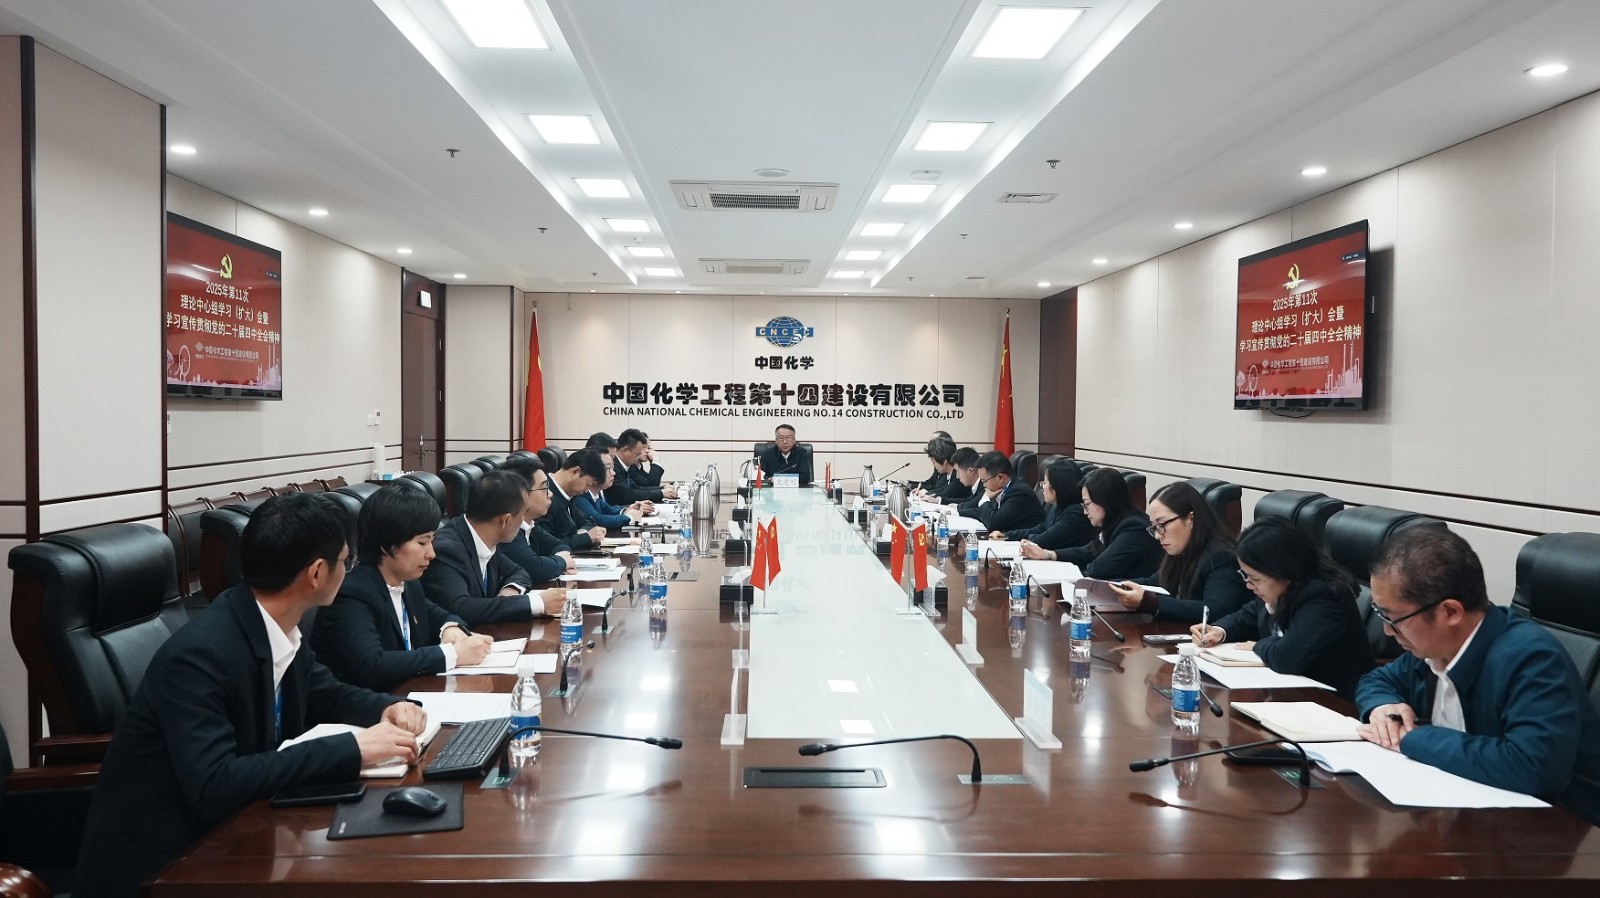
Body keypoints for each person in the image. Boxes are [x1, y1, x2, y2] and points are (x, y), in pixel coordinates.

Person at [75, 493, 426, 898]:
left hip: (242, 833)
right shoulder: (201, 656)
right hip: (164, 867)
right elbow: (215, 783)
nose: (348, 572)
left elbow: (323, 692)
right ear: (316, 573)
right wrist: (351, 749)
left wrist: (387, 706)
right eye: (345, 562)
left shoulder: (272, 623)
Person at [1352, 527, 1600, 824]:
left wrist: (1413, 738)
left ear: (1450, 612)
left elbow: (1533, 767)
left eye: (1393, 618)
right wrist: (1382, 705)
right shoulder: (1435, 649)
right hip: (1464, 813)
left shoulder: (1531, 658)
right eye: (1380, 614)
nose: (1387, 631)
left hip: (1556, 831)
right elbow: (1377, 680)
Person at [311, 486, 494, 691]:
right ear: (387, 545)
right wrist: (453, 655)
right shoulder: (352, 594)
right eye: (422, 542)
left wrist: (449, 629)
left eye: (432, 540)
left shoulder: (409, 584)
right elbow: (372, 666)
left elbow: (442, 616)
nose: (431, 553)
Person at [1188, 516, 1373, 698]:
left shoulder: (1323, 596)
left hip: (1334, 702)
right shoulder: (1281, 588)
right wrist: (1219, 631)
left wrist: (1258, 646)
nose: (1249, 586)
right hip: (1293, 692)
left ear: (1283, 569)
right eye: (1246, 576)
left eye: (1255, 579)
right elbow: (1246, 616)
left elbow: (1286, 657)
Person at [419, 469, 563, 625]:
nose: (523, 520)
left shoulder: (483, 536)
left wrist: (510, 591)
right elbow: (462, 609)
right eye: (522, 514)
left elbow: (519, 572)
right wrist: (537, 603)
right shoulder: (446, 550)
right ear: (506, 520)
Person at [1107, 481, 1252, 623]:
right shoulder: (1180, 551)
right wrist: (1109, 586)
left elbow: (1215, 610)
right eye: (1154, 527)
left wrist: (1151, 603)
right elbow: (1155, 583)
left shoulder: (1221, 557)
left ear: (1191, 518)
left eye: (1162, 524)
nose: (1157, 535)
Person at [1043, 467, 1162, 580]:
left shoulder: (1134, 529)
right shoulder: (1113, 522)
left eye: (1087, 504)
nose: (1085, 511)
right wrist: (1048, 554)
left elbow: (1098, 570)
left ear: (1105, 500)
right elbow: (1089, 552)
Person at [497, 455, 576, 581]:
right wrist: (562, 562)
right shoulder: (506, 527)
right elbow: (534, 568)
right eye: (545, 488)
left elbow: (560, 544)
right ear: (522, 493)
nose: (550, 494)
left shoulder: (530, 525)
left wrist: (559, 561)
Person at [1001, 458, 1094, 551]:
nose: (1042, 487)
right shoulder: (1056, 507)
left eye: (1044, 483)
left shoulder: (1076, 513)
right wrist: (1006, 535)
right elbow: (1039, 529)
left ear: (1057, 487)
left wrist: (1027, 539)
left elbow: (1043, 540)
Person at [539, 448, 611, 551]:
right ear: (575, 471)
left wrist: (582, 533)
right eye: (588, 484)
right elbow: (547, 545)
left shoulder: (569, 494)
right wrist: (585, 538)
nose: (586, 491)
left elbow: (588, 522)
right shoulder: (544, 497)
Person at [958, 451, 1044, 534]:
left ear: (1000, 478)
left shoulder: (1019, 493)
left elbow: (994, 523)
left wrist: (985, 499)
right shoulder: (1004, 488)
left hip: (1025, 541)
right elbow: (984, 512)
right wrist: (958, 513)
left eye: (984, 481)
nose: (983, 485)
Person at [607, 429, 678, 505]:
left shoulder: (622, 466)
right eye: (637, 454)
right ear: (625, 451)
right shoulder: (614, 467)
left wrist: (661, 490)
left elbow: (636, 488)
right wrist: (660, 493)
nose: (637, 458)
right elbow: (627, 496)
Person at [575, 461, 648, 530]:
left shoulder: (595, 494)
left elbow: (608, 510)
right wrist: (629, 517)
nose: (614, 473)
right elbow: (598, 520)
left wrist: (628, 510)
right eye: (608, 469)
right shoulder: (580, 496)